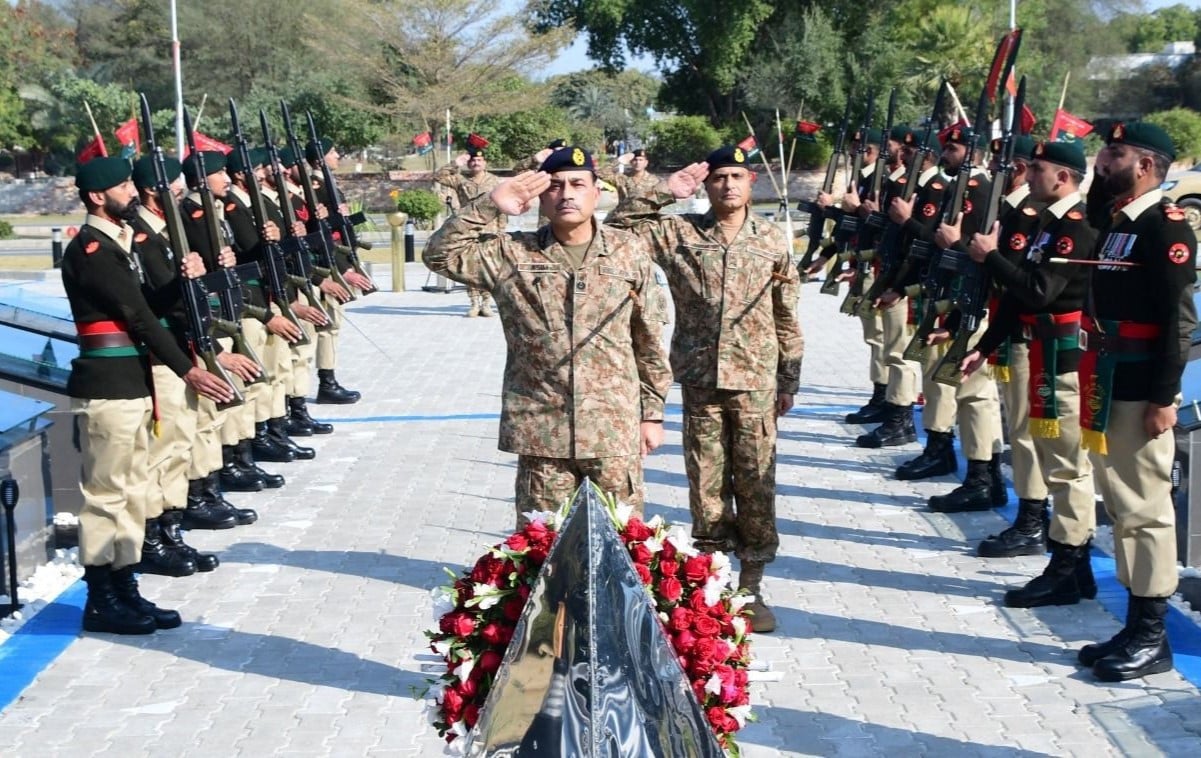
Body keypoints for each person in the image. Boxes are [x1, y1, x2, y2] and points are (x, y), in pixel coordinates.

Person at [606, 145, 804, 633]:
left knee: (756, 482)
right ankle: (712, 582)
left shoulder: (771, 239)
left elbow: (786, 312)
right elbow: (619, 230)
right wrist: (661, 190)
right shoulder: (679, 234)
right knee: (707, 483)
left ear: (751, 181)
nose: (728, 186)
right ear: (706, 185)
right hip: (700, 378)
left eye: (737, 176)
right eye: (718, 178)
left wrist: (789, 378)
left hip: (756, 379)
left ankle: (752, 585)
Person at [423, 146, 671, 531]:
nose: (566, 194)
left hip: (612, 428)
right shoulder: (513, 253)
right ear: (541, 195)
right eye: (554, 186)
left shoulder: (629, 251)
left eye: (577, 184)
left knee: (622, 547)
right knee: (545, 550)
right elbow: (439, 256)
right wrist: (491, 204)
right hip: (542, 432)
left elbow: (649, 338)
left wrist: (652, 413)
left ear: (596, 191)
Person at [63, 156, 233, 634]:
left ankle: (125, 588)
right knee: (107, 497)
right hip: (108, 385)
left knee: (133, 491)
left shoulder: (115, 245)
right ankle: (101, 598)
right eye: (121, 186)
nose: (131, 192)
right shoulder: (92, 249)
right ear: (98, 197)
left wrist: (184, 280)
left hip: (132, 385)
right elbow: (136, 316)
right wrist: (189, 372)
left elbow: (147, 307)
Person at [1075, 122, 1196, 681]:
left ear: (1146, 164)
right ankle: (1133, 623)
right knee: (1121, 505)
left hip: (1142, 383)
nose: (1102, 159)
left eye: (1114, 152)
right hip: (1109, 377)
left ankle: (1153, 635)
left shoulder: (1161, 225)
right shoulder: (1120, 222)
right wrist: (1101, 182)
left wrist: (1164, 395)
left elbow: (1179, 319)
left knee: (1146, 510)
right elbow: (1093, 211)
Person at [961, 140, 1098, 607]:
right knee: (1051, 457)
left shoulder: (1073, 230)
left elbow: (1038, 292)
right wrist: (984, 346)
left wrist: (991, 257)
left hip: (1060, 355)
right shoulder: (1049, 224)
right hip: (1039, 345)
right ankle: (1072, 568)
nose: (1028, 175)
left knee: (1066, 468)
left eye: (1036, 169)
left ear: (1062, 177)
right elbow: (1020, 298)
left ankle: (1067, 563)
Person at [434, 143, 502, 317]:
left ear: (485, 163)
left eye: (479, 160)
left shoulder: (494, 180)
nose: (476, 163)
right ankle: (474, 303)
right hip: (467, 229)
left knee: (488, 267)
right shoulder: (460, 179)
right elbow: (438, 176)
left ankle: (486, 304)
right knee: (469, 266)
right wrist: (455, 163)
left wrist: (501, 229)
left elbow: (500, 205)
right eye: (473, 160)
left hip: (489, 228)